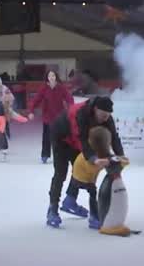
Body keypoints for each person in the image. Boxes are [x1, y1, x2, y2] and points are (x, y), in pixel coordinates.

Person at [46, 96, 122, 228]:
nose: (106, 118)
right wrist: (94, 158)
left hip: (76, 141)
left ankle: (70, 200)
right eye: (104, 115)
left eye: (108, 115)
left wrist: (120, 157)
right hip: (61, 138)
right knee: (60, 173)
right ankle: (52, 209)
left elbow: (114, 137)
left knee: (81, 170)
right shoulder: (81, 113)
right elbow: (83, 140)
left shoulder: (106, 118)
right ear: (96, 109)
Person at [95, 128, 137, 237]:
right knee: (113, 201)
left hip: (115, 182)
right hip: (113, 184)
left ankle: (117, 224)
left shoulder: (109, 156)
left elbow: (123, 160)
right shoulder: (99, 156)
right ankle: (109, 225)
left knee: (119, 200)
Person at [28, 70, 73, 164]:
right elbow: (36, 100)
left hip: (59, 117)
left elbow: (69, 98)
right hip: (47, 117)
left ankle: (63, 155)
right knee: (47, 137)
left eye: (53, 75)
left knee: (61, 137)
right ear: (47, 78)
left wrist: (71, 108)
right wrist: (31, 111)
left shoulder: (61, 88)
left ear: (56, 77)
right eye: (49, 76)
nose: (51, 77)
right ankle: (45, 154)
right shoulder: (44, 88)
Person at [0, 90, 30, 162]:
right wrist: (25, 119)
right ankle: (1, 154)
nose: (11, 102)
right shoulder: (6, 108)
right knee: (2, 141)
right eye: (10, 101)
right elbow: (16, 116)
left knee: (1, 140)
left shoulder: (0, 106)